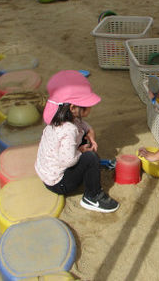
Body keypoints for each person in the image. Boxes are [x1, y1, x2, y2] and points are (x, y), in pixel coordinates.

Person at [35, 70, 119, 213]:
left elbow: (82, 125)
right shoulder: (68, 130)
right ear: (73, 108)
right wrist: (81, 151)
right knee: (89, 158)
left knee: (83, 140)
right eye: (87, 105)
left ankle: (93, 166)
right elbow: (68, 160)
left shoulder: (61, 117)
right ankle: (92, 196)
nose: (90, 108)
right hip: (58, 183)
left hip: (49, 173)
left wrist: (90, 133)